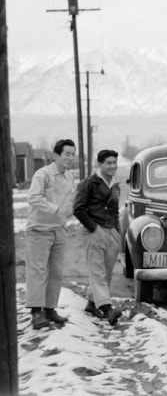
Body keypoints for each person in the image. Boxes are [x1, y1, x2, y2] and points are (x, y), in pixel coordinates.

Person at [25, 138, 77, 330]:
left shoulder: (69, 177)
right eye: (67, 154)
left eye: (73, 154)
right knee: (37, 272)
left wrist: (68, 213)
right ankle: (36, 313)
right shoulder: (43, 174)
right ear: (56, 155)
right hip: (38, 230)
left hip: (58, 231)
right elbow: (33, 198)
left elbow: (68, 201)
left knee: (56, 272)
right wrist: (55, 209)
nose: (71, 158)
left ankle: (49, 309)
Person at [73, 149, 123, 326]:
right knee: (98, 272)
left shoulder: (116, 185)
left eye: (114, 162)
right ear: (99, 164)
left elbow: (116, 211)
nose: (112, 166)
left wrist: (117, 232)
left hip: (111, 232)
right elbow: (78, 208)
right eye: (108, 163)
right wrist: (94, 228)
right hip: (93, 230)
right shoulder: (89, 183)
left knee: (106, 272)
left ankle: (92, 304)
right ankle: (107, 309)